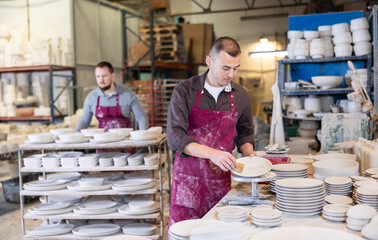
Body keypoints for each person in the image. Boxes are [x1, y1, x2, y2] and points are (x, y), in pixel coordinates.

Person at [167, 36, 256, 227]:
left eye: (236, 68)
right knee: (186, 233)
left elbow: (245, 133)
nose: (231, 74)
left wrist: (249, 153)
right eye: (225, 68)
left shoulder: (241, 96)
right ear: (209, 61)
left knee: (218, 232)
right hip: (187, 182)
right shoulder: (185, 91)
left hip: (220, 182)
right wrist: (213, 154)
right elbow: (175, 136)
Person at [75, 61, 148, 132]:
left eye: (104, 76)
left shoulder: (128, 95)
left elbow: (141, 117)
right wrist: (73, 136)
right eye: (98, 76)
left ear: (112, 76)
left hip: (125, 141)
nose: (101, 80)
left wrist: (143, 135)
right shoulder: (91, 98)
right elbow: (84, 122)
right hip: (103, 141)